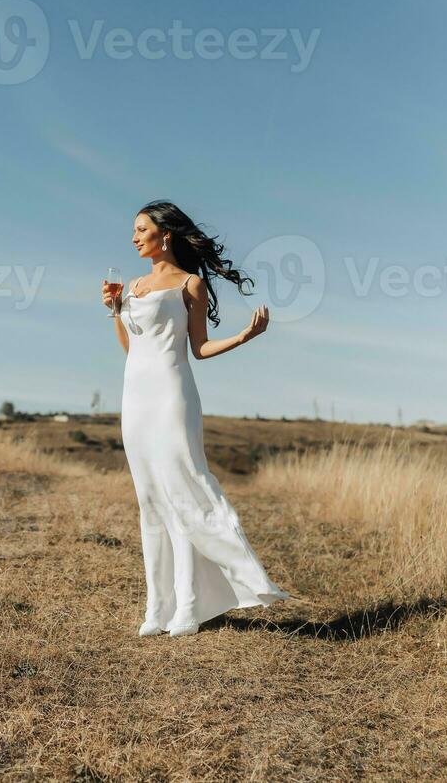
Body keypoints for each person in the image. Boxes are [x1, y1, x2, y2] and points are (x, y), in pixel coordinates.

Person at [101, 200, 291, 637]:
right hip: (135, 396)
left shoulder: (191, 285)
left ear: (163, 235)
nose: (133, 237)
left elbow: (199, 349)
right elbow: (132, 348)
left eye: (140, 229)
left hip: (172, 394)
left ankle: (187, 606)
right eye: (133, 230)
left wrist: (244, 336)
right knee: (150, 500)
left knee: (183, 493)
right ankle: (157, 607)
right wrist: (115, 310)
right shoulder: (131, 285)